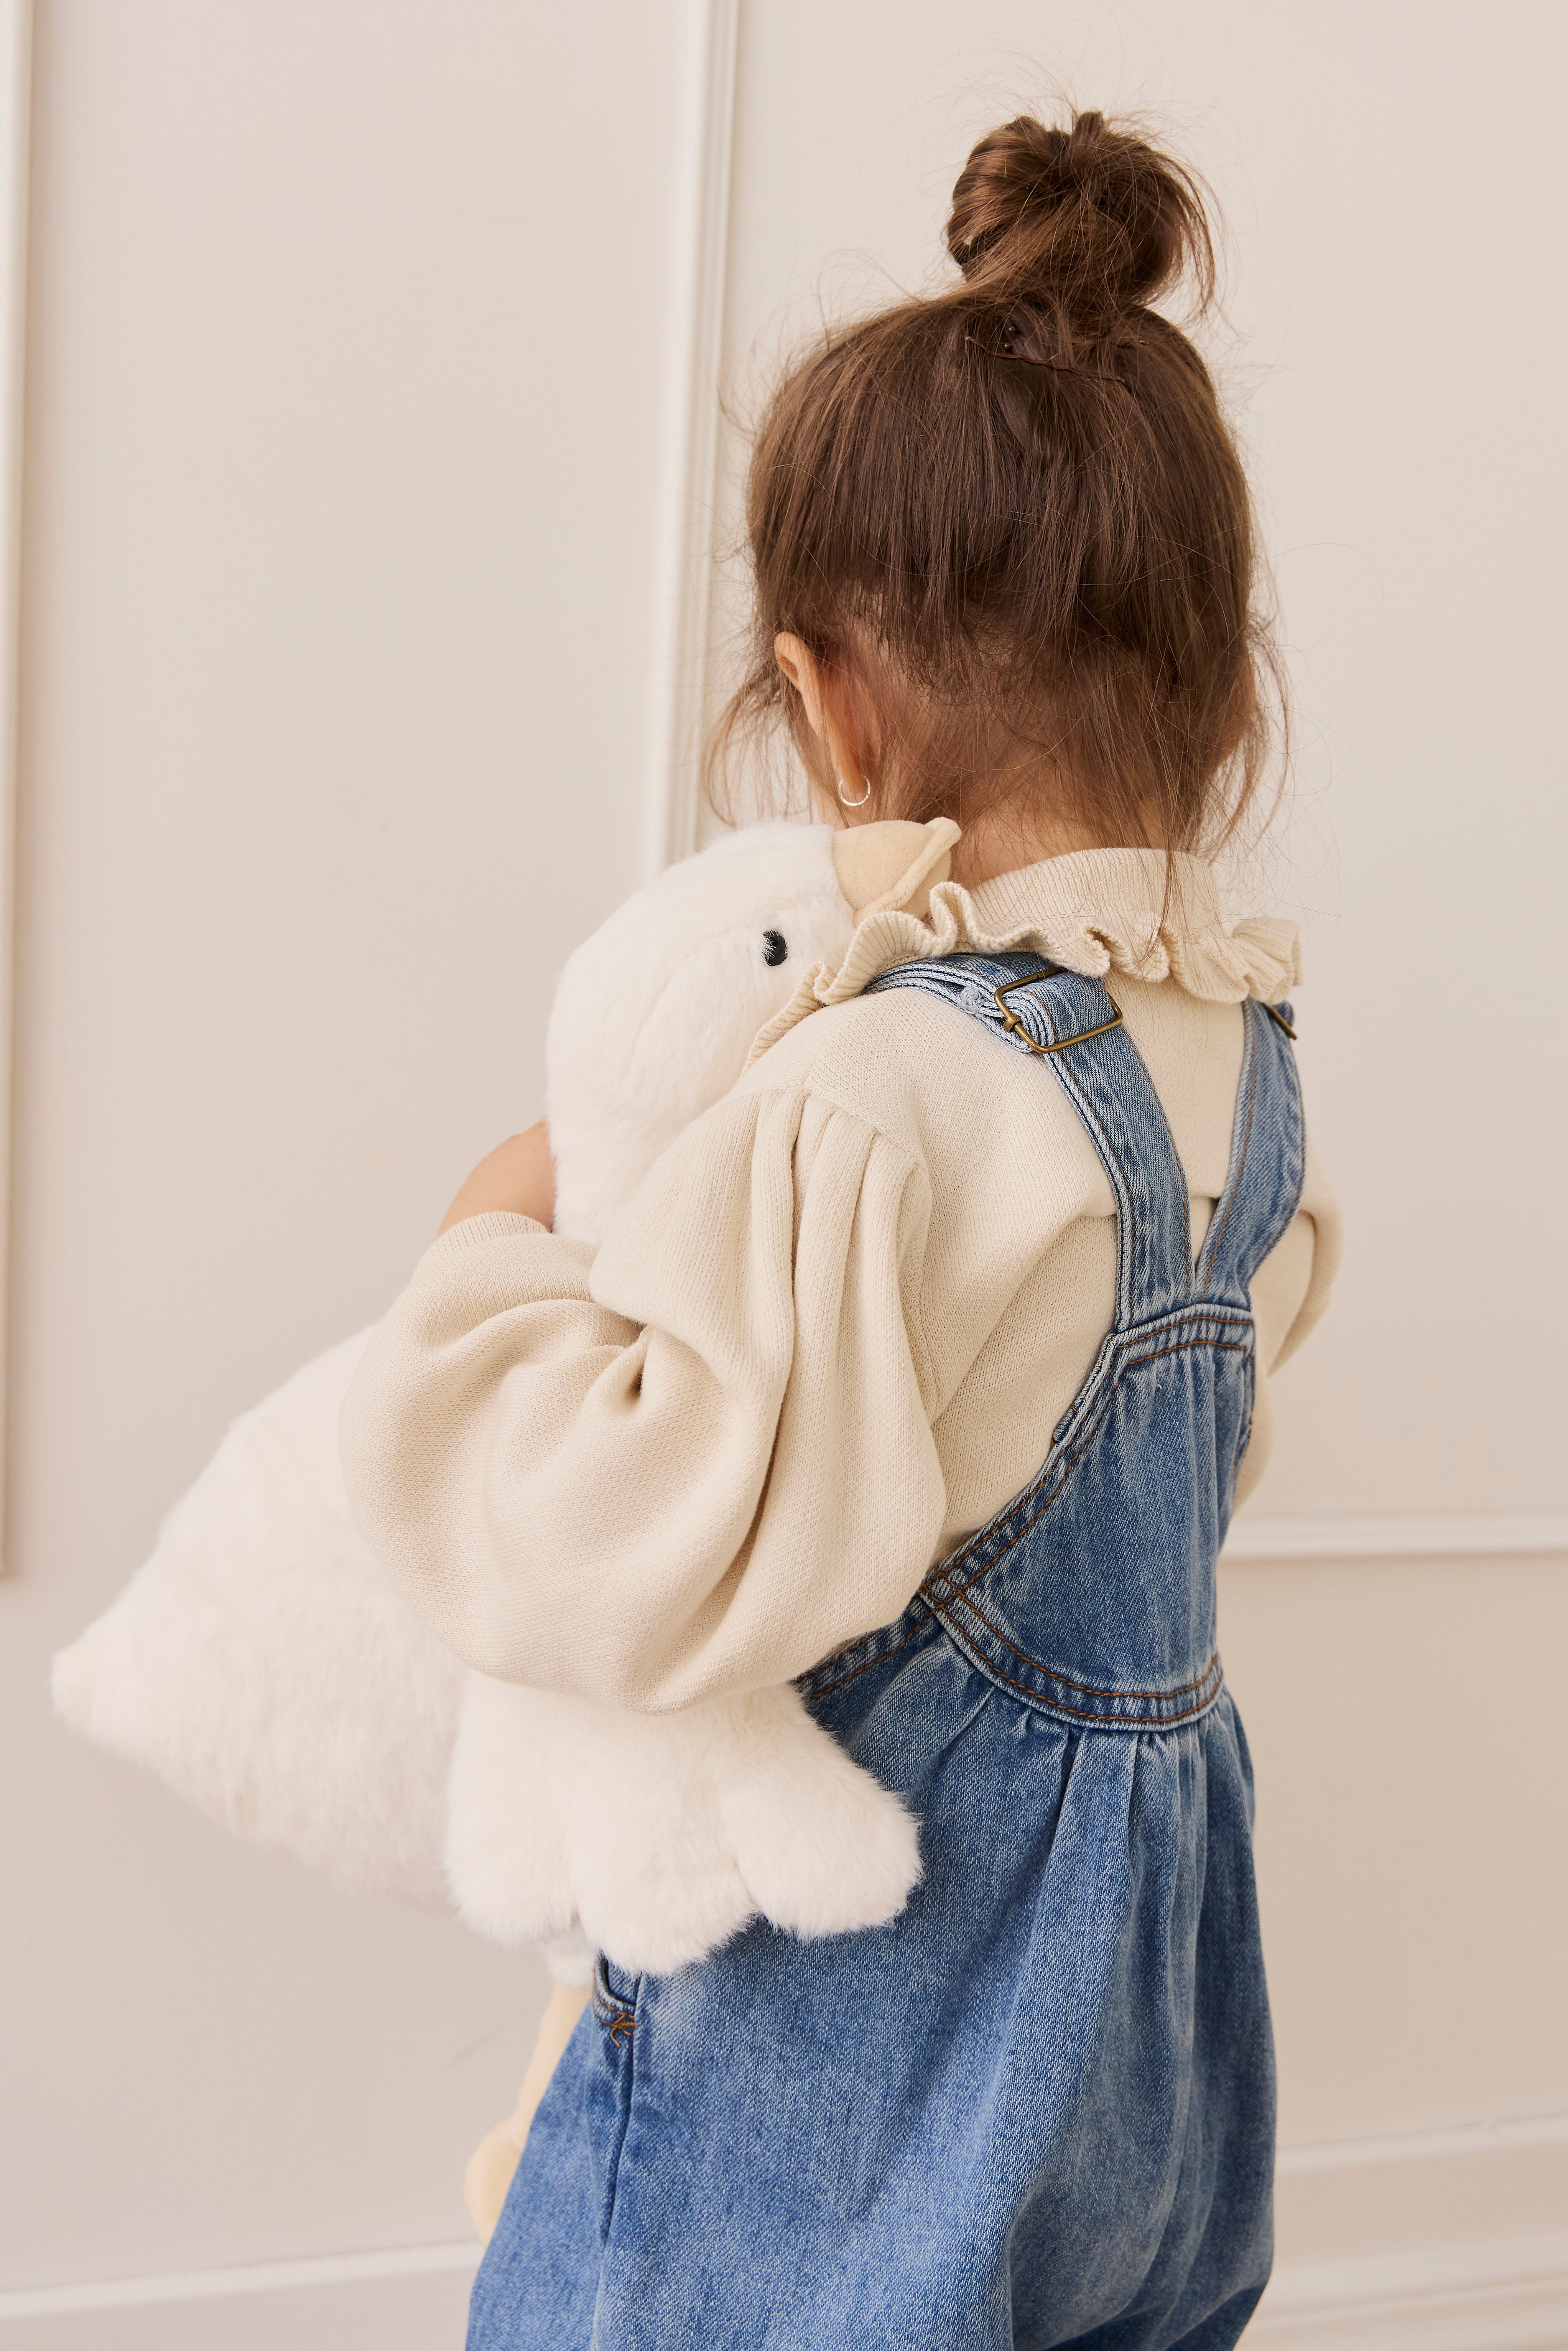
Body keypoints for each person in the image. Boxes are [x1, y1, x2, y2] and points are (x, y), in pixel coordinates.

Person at [341, 107, 1340, 2351]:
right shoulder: (1245, 1077)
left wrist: (500, 1253)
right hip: (1139, 2049)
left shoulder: (879, 1102)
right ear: (1218, 690)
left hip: (874, 2060)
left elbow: (626, 1544)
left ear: (827, 702)